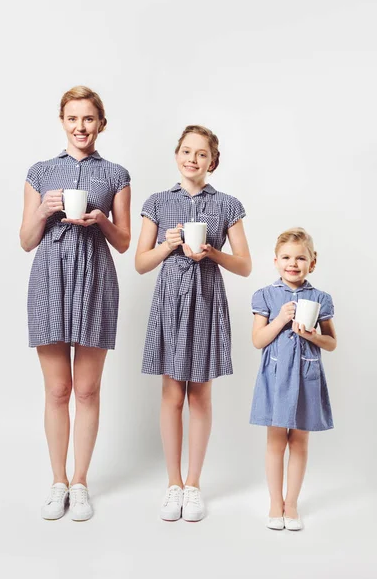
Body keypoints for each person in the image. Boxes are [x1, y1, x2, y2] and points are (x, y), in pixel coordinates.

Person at [20, 86, 131, 521]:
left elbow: (123, 243)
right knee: (57, 390)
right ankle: (57, 482)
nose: (80, 127)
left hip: (96, 280)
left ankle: (81, 482)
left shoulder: (117, 175)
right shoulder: (40, 172)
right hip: (48, 280)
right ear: (62, 121)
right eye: (72, 118)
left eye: (88, 119)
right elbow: (27, 241)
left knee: (86, 390)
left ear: (100, 123)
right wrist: (43, 212)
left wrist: (101, 218)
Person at [135, 125, 251, 521]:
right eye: (187, 151)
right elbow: (140, 263)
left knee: (200, 395)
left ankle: (194, 485)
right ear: (176, 155)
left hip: (205, 301)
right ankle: (173, 484)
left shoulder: (228, 205)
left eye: (202, 154)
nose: (193, 159)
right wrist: (168, 246)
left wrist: (212, 254)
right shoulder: (157, 202)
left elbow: (245, 265)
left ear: (212, 162)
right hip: (169, 302)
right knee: (171, 395)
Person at [250, 227, 337, 530]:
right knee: (276, 440)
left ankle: (292, 504)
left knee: (299, 440)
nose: (293, 263)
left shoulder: (320, 298)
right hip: (275, 376)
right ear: (275, 261)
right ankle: (275, 503)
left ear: (312, 263)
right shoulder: (266, 295)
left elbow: (332, 342)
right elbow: (258, 340)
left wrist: (313, 336)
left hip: (306, 375)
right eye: (286, 257)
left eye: (301, 257)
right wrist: (281, 320)